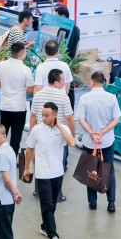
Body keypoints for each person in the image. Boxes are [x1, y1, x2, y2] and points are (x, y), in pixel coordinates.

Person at [23, 102, 76, 239]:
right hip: (42, 173)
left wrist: (59, 126)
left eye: (47, 115)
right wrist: (26, 168)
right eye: (42, 115)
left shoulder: (63, 129)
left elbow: (72, 143)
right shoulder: (36, 130)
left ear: (55, 115)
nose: (43, 118)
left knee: (52, 204)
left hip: (57, 173)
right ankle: (53, 235)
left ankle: (44, 226)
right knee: (46, 204)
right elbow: (29, 149)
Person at [77, 71, 121, 212]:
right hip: (106, 141)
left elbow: (81, 119)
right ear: (103, 82)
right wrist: (102, 133)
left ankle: (93, 203)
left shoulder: (85, 98)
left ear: (92, 82)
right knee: (109, 170)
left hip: (90, 142)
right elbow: (116, 119)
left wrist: (92, 133)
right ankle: (111, 202)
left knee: (91, 170)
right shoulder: (111, 98)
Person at [30, 69, 75, 202]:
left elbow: (33, 116)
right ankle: (57, 194)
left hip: (40, 135)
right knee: (58, 164)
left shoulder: (38, 95)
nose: (64, 82)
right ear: (56, 82)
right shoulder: (63, 97)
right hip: (58, 136)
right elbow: (69, 118)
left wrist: (32, 134)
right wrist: (71, 135)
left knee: (39, 163)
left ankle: (38, 191)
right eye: (63, 80)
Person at [0, 42, 35, 155]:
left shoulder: (2, 65)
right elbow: (31, 90)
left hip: (4, 107)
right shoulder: (26, 70)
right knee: (16, 137)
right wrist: (22, 89)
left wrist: (5, 85)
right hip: (19, 109)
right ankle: (12, 158)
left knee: (2, 134)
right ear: (22, 54)